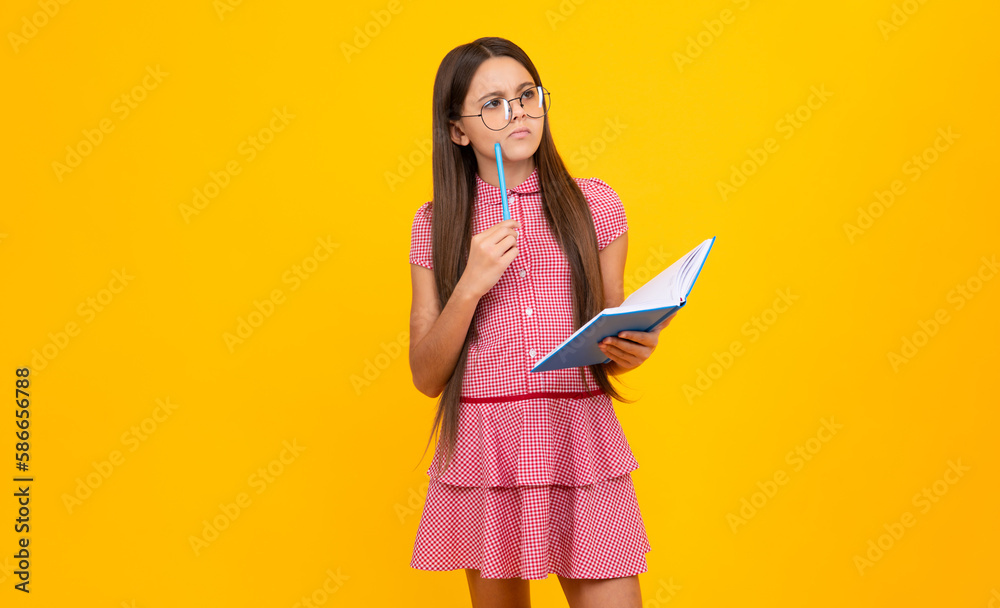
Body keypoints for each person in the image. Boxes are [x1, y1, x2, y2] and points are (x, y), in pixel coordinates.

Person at [407, 36, 674, 608]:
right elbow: (426, 375)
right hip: (487, 449)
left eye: (527, 96)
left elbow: (613, 323)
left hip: (580, 439)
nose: (519, 113)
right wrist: (471, 284)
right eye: (494, 104)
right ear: (458, 130)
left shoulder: (594, 204)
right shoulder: (435, 223)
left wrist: (635, 342)